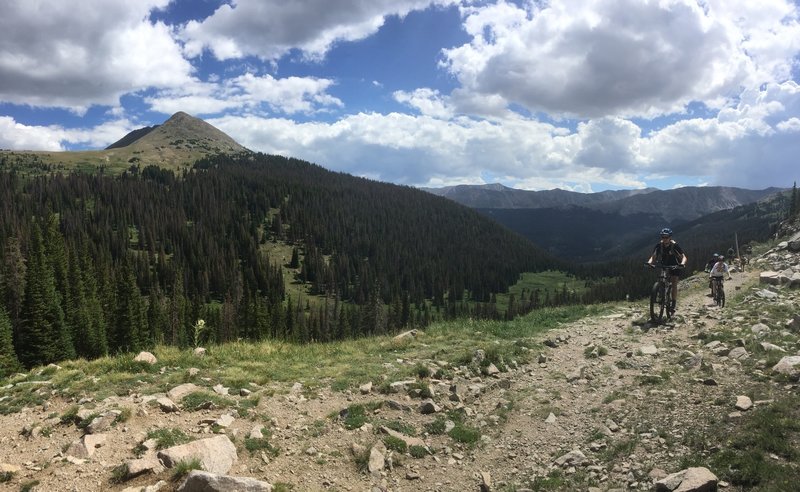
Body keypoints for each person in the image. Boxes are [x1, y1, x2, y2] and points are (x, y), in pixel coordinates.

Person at [646, 228, 687, 313]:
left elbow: (684, 257)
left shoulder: (674, 246)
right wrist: (649, 263)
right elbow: (653, 256)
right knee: (661, 278)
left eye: (666, 237)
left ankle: (673, 304)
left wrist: (682, 264)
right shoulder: (659, 245)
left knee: (674, 282)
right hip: (664, 264)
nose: (665, 239)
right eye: (663, 237)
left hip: (675, 265)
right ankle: (661, 292)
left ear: (670, 237)